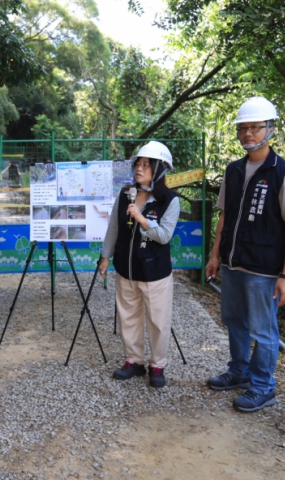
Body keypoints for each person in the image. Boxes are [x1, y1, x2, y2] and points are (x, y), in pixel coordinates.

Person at [205, 96, 285, 413]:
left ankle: (263, 387)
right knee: (234, 321)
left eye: (256, 127)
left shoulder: (284, 174)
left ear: (270, 129)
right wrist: (215, 255)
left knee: (263, 330)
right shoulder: (233, 171)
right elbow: (223, 216)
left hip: (264, 271)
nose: (249, 133)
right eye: (243, 128)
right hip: (233, 264)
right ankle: (239, 372)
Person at [98, 141, 180, 388]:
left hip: (154, 273)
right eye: (138, 164)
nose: (139, 169)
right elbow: (113, 228)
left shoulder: (170, 200)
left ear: (160, 169)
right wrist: (105, 256)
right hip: (127, 269)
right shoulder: (125, 195)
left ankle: (157, 364)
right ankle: (134, 361)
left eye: (146, 164)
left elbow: (164, 236)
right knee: (128, 317)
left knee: (157, 321)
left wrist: (142, 219)